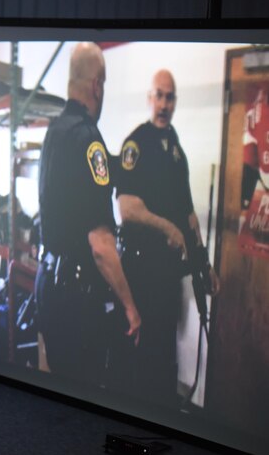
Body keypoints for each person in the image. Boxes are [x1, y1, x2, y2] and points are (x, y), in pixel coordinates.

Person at [35, 42, 141, 386]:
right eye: (104, 84)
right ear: (97, 85)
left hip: (48, 285)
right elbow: (100, 244)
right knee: (86, 395)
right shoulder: (88, 140)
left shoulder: (53, 133)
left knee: (60, 390)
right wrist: (130, 305)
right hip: (77, 299)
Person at [115, 69, 220, 408]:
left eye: (169, 97)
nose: (163, 104)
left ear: (175, 102)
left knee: (164, 353)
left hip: (166, 277)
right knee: (138, 359)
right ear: (149, 98)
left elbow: (188, 215)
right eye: (158, 95)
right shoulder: (137, 144)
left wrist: (204, 263)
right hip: (139, 273)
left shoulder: (176, 150)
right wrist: (166, 228)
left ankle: (161, 422)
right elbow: (127, 209)